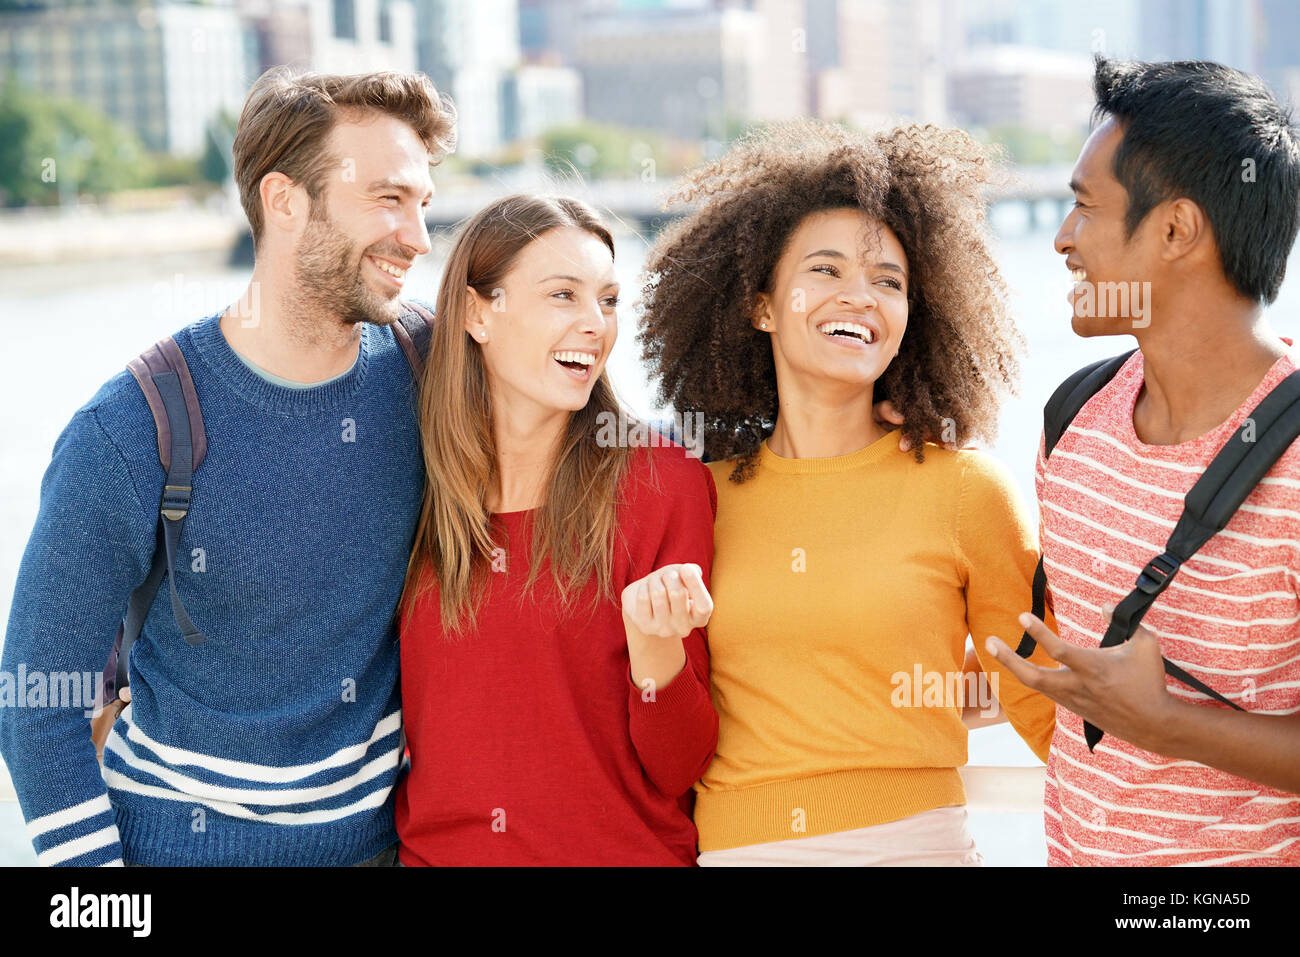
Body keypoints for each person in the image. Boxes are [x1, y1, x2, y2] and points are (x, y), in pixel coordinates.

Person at [0, 67, 456, 866]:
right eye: (388, 199)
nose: (418, 237)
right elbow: (35, 703)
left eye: (422, 203)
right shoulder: (131, 428)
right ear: (285, 202)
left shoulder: (428, 366)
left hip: (387, 850)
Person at [637, 120, 1059, 865]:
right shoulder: (694, 494)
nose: (860, 296)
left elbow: (1044, 695)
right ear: (760, 306)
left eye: (888, 281)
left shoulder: (963, 489)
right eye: (825, 271)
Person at [984, 57, 1300, 865]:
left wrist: (1167, 726)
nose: (1060, 238)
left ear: (1174, 230)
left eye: (1084, 207)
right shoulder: (1072, 417)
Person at [394, 194, 719, 866]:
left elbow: (679, 764)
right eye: (562, 295)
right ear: (479, 313)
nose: (594, 324)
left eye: (606, 300)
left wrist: (656, 649)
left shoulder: (661, 481)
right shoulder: (411, 489)